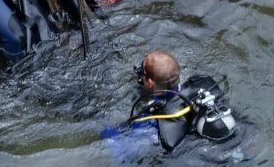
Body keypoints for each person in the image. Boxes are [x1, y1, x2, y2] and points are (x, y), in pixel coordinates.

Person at [102, 50, 241, 158]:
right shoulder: (204, 85)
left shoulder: (153, 121)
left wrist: (106, 132)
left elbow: (117, 146)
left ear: (150, 83)